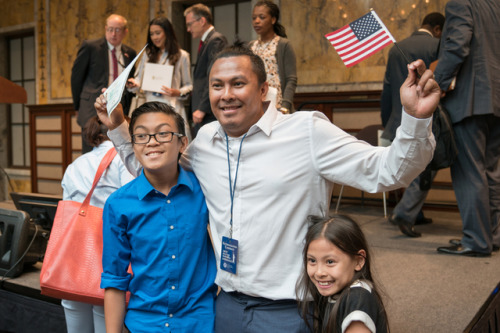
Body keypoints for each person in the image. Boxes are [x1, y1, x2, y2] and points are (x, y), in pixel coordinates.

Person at [95, 43, 439, 332]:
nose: (226, 95)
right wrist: (119, 128)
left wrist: (416, 119)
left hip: (288, 311)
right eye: (217, 86)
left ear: (263, 89)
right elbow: (158, 165)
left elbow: (387, 171)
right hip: (224, 306)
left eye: (237, 84)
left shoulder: (307, 132)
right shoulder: (205, 141)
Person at [100, 102, 217, 333]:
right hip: (143, 325)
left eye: (163, 133)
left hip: (200, 323)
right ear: (133, 145)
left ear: (183, 142)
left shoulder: (206, 192)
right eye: (141, 136)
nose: (152, 142)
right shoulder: (118, 204)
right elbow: (114, 278)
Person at [434, 0, 500, 257]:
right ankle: (491, 236)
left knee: (469, 172)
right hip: (495, 100)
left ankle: (475, 240)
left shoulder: (462, 3)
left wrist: (438, 84)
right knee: (491, 171)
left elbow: (457, 45)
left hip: (470, 99)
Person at [61, 116, 134, 333]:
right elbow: (131, 208)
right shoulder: (124, 160)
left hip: (75, 258)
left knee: (75, 314)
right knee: (105, 313)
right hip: (108, 255)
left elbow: (67, 211)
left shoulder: (76, 164)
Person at [380, 12, 445, 238]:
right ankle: (406, 213)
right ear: (438, 29)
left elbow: (387, 89)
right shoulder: (438, 45)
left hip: (398, 117)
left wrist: (388, 120)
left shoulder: (397, 47)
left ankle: (413, 213)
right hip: (427, 116)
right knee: (426, 165)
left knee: (412, 163)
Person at [296, 215, 388, 333]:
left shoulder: (357, 299)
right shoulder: (338, 292)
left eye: (330, 262)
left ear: (359, 261)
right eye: (312, 260)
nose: (319, 272)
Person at [71, 14, 137, 153]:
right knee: (91, 150)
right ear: (106, 29)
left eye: (118, 30)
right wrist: (77, 107)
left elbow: (129, 80)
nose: (113, 34)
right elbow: (76, 78)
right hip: (91, 108)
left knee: (117, 151)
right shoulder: (90, 47)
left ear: (125, 32)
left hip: (118, 108)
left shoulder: (129, 53)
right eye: (110, 29)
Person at [126, 17, 193, 140]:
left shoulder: (182, 56)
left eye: (158, 33)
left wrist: (177, 92)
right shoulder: (148, 54)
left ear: (167, 33)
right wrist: (133, 84)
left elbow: (189, 85)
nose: (155, 37)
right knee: (151, 140)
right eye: (152, 34)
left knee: (173, 141)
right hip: (149, 105)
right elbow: (139, 80)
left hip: (172, 105)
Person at [184, 3, 227, 136]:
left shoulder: (216, 40)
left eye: (190, 24)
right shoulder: (207, 41)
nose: (188, 29)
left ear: (202, 21)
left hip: (208, 112)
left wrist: (202, 108)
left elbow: (214, 76)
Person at [249, 0, 297, 113]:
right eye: (254, 18)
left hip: (278, 106)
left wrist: (285, 106)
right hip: (256, 105)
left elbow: (291, 79)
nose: (256, 21)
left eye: (261, 17)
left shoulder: (283, 45)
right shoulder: (250, 46)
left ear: (273, 19)